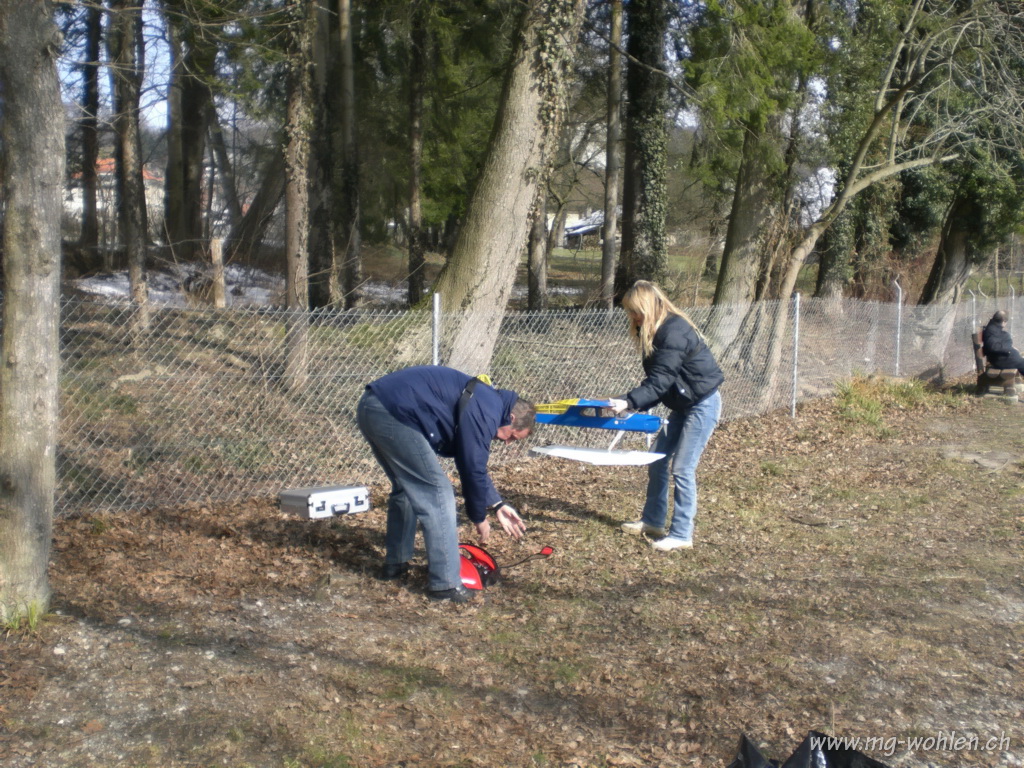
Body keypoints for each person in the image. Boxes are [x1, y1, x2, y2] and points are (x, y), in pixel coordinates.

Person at [356, 365, 535, 602]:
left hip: (373, 406)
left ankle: (395, 564)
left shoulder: (487, 402)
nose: (509, 443)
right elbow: (471, 466)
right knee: (438, 493)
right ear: (511, 418)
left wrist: (497, 503)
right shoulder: (488, 410)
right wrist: (478, 517)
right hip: (394, 412)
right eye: (512, 436)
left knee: (406, 488)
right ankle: (445, 585)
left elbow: (473, 462)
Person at [608, 281, 724, 552]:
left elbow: (661, 381)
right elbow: (662, 381)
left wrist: (629, 400)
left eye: (635, 311)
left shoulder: (673, 332)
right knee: (657, 460)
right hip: (683, 405)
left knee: (683, 468)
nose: (633, 317)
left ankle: (682, 535)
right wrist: (633, 405)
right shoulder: (658, 331)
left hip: (702, 405)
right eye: (630, 312)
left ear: (647, 307)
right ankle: (653, 522)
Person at [981, 310, 1024, 375]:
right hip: (1000, 360)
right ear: (1003, 321)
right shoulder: (991, 331)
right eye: (1006, 322)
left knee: (1021, 362)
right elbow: (993, 346)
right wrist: (1008, 349)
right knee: (1021, 363)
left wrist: (1010, 348)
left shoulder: (993, 328)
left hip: (1001, 358)